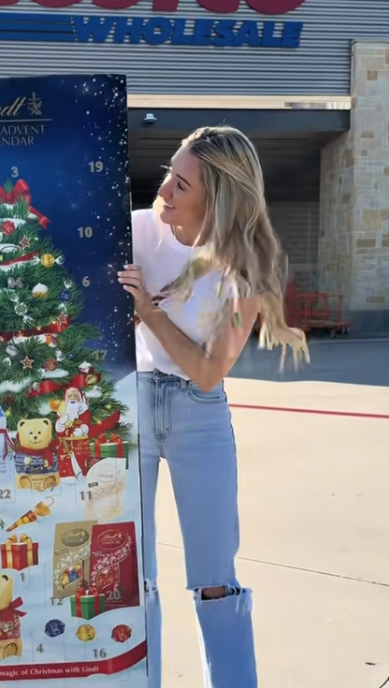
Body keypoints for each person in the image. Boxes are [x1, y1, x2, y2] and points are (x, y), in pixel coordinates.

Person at [118, 126, 308, 688]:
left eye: (181, 183)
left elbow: (207, 371)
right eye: (169, 176)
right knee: (133, 577)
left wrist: (149, 315)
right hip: (127, 406)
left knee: (214, 577)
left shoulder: (249, 264)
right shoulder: (134, 231)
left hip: (199, 417)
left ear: (218, 196)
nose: (165, 192)